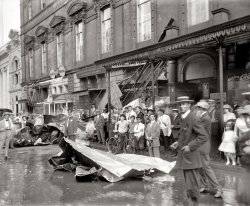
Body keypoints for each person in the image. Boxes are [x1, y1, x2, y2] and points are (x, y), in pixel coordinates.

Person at [170, 96, 208, 206]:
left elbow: (203, 136)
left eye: (185, 104)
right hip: (186, 157)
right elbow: (187, 135)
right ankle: (191, 202)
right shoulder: (183, 117)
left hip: (191, 157)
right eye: (181, 104)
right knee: (189, 185)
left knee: (193, 186)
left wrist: (190, 146)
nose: (182, 106)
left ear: (189, 105)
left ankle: (193, 203)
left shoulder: (193, 118)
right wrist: (178, 143)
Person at [195, 101, 223, 198]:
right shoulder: (202, 117)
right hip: (199, 146)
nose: (196, 110)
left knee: (206, 168)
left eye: (198, 108)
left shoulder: (205, 118)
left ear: (202, 109)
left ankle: (218, 188)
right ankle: (204, 186)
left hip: (203, 146)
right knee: (200, 167)